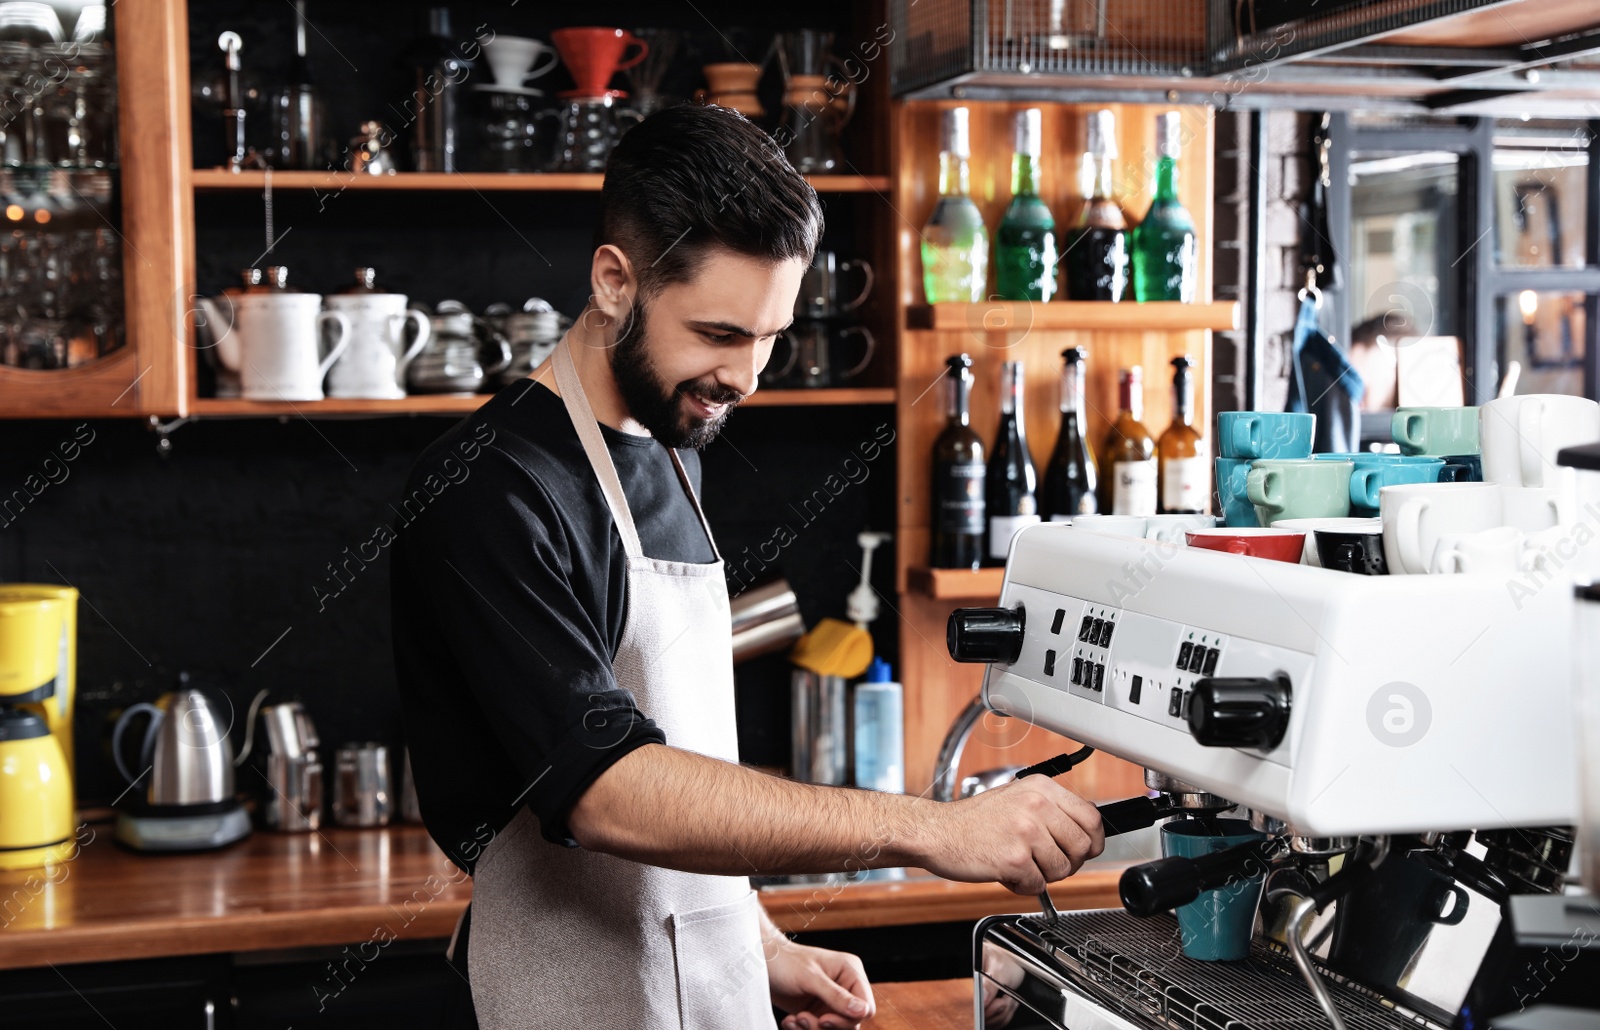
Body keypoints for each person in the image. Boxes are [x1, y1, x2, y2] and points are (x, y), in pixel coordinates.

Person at [391, 103, 1105, 1030]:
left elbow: (681, 766)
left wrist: (753, 944)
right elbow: (609, 789)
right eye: (723, 334)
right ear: (615, 280)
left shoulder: (669, 438)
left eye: (771, 335)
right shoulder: (488, 487)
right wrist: (931, 828)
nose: (749, 378)